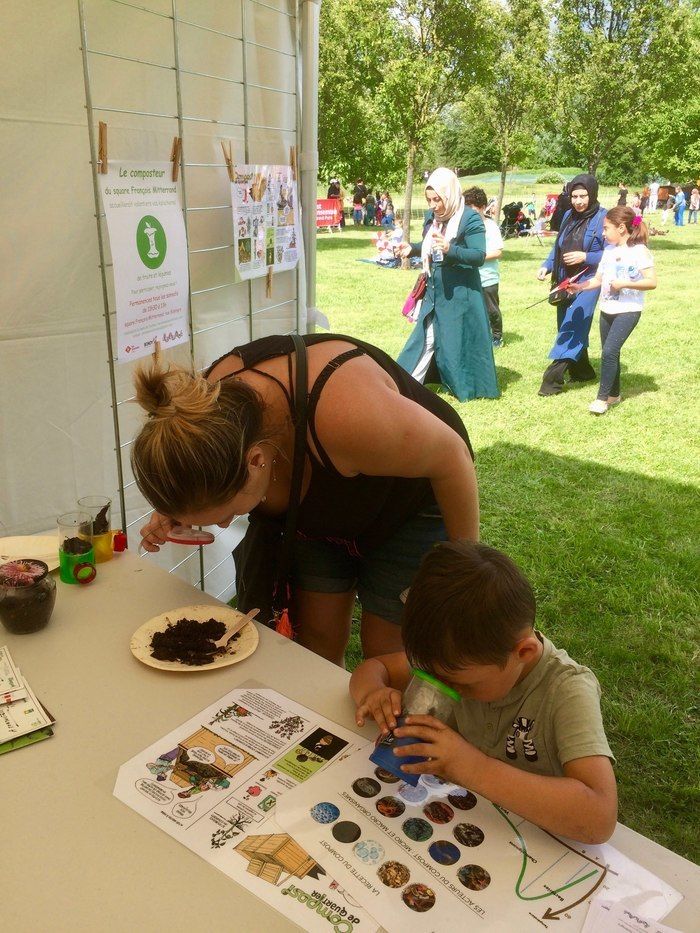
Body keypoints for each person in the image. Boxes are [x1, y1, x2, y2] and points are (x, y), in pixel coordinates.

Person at [134, 335, 479, 667]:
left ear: (256, 461)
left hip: (408, 507)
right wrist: (175, 505)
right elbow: (188, 461)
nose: (224, 524)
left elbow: (453, 458)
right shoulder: (201, 412)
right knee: (316, 644)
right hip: (321, 509)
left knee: (386, 652)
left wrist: (465, 569)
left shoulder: (347, 414)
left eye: (228, 513)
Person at [350, 541, 617, 844]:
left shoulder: (567, 691)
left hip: (533, 843)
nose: (444, 689)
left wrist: (471, 767)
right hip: (462, 823)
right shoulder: (455, 658)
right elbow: (374, 669)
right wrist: (374, 692)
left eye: (461, 684)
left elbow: (599, 818)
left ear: (524, 652)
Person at [396, 168, 499, 402]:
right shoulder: (433, 219)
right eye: (429, 200)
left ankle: (407, 386)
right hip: (435, 289)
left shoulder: (469, 218)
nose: (433, 205)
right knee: (427, 335)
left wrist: (450, 250)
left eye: (437, 199)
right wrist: (411, 248)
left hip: (460, 293)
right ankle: (404, 385)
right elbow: (428, 245)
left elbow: (478, 256)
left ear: (449, 194)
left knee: (447, 340)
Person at [570, 207, 657, 415]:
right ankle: (614, 394)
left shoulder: (639, 251)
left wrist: (625, 283)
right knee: (610, 353)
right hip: (607, 308)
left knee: (609, 351)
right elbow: (598, 280)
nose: (603, 232)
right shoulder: (608, 251)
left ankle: (601, 399)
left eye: (606, 228)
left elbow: (652, 282)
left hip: (628, 310)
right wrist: (579, 287)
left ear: (621, 228)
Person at [536, 173, 606, 396]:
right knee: (566, 323)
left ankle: (552, 381)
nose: (578, 201)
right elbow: (558, 246)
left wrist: (586, 257)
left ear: (592, 194)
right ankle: (582, 371)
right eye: (574, 196)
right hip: (564, 279)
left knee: (573, 324)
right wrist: (546, 266)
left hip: (589, 281)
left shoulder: (604, 218)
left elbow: (614, 253)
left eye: (583, 196)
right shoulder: (568, 215)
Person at [464, 186, 505, 348]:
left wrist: (476, 257)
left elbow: (497, 252)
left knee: (492, 310)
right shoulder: (466, 227)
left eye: (473, 209)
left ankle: (497, 336)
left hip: (488, 278)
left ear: (482, 207)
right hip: (470, 278)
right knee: (472, 311)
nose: (469, 213)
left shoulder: (491, 227)